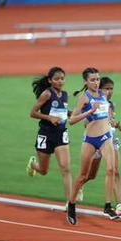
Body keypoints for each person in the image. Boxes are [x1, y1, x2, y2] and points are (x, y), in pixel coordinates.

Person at [66, 67, 117, 225]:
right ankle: (72, 205)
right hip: (89, 139)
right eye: (93, 80)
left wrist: (109, 120)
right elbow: (72, 120)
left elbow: (107, 108)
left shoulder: (103, 94)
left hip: (105, 138)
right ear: (86, 82)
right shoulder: (84, 98)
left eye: (98, 79)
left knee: (111, 169)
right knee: (82, 176)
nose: (96, 82)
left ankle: (108, 206)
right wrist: (89, 112)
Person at [82, 76, 121, 218]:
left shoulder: (111, 104)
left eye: (111, 89)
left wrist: (119, 127)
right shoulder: (93, 102)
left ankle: (119, 205)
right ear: (99, 89)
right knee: (90, 175)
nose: (109, 91)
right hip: (96, 141)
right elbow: (86, 123)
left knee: (115, 171)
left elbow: (110, 121)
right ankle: (77, 190)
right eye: (106, 88)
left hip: (111, 139)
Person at [26, 67, 73, 202]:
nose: (60, 81)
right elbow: (33, 113)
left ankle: (70, 203)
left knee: (66, 169)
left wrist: (70, 113)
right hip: (46, 135)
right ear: (50, 80)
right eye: (56, 79)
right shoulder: (46, 94)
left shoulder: (65, 94)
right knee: (44, 170)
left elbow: (62, 109)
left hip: (61, 135)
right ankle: (33, 165)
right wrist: (50, 118)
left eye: (62, 79)